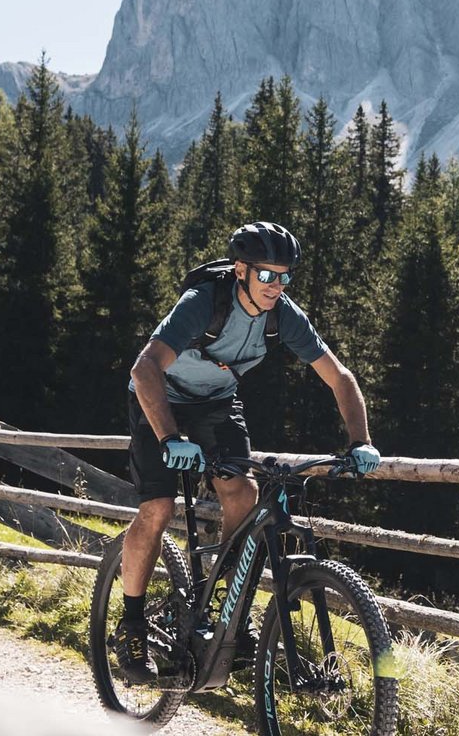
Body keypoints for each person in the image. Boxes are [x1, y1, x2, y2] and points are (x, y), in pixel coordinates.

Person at [115, 221, 380, 683]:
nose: (276, 287)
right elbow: (145, 368)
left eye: (284, 277)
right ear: (241, 270)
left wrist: (361, 442)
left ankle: (224, 608)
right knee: (158, 508)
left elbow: (341, 378)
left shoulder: (283, 315)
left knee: (244, 494)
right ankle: (132, 623)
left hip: (217, 404)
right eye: (266, 276)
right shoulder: (204, 303)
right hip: (160, 399)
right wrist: (169, 438)